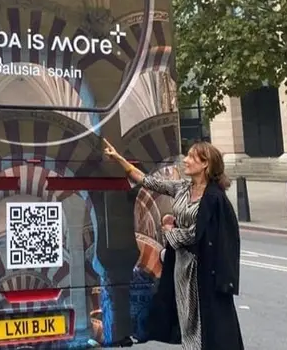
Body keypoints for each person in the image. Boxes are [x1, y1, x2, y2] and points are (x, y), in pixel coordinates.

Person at [102, 138, 244, 350]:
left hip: (202, 269)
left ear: (205, 164)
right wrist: (119, 159)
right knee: (187, 317)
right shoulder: (183, 188)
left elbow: (201, 234)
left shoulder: (215, 198)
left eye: (191, 157)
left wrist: (170, 233)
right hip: (181, 267)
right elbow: (148, 181)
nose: (185, 160)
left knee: (208, 321)